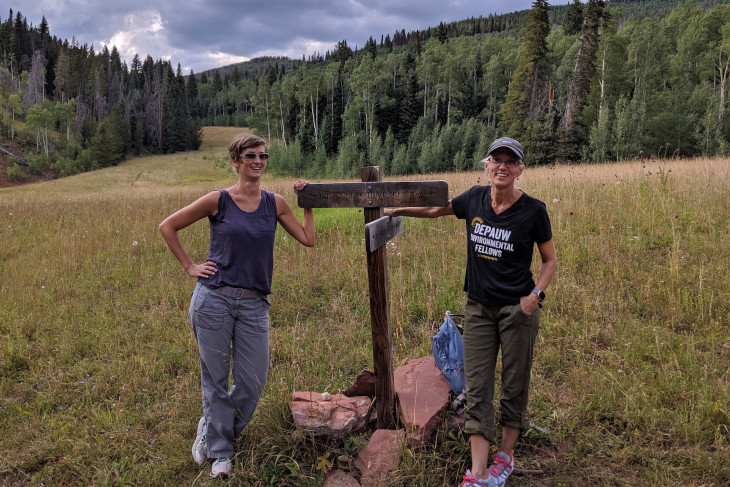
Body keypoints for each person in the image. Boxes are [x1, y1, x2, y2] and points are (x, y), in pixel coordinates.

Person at [384, 137, 556, 487]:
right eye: (497, 160)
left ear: (520, 169)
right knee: (477, 388)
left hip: (517, 312)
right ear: (487, 165)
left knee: (514, 385)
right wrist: (397, 210)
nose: (503, 167)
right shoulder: (475, 198)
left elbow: (550, 260)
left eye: (511, 161)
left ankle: (504, 459)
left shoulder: (534, 211)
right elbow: (437, 210)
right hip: (478, 310)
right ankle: (478, 474)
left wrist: (535, 295)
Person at [159, 133, 315, 479]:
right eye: (250, 156)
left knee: (253, 379)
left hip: (254, 304)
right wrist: (189, 266)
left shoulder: (275, 204)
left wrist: (306, 203)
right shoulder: (219, 200)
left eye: (263, 156)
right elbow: (167, 226)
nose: (258, 161)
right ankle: (221, 455)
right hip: (213, 299)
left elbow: (308, 240)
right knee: (214, 379)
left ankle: (212, 428)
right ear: (236, 161)